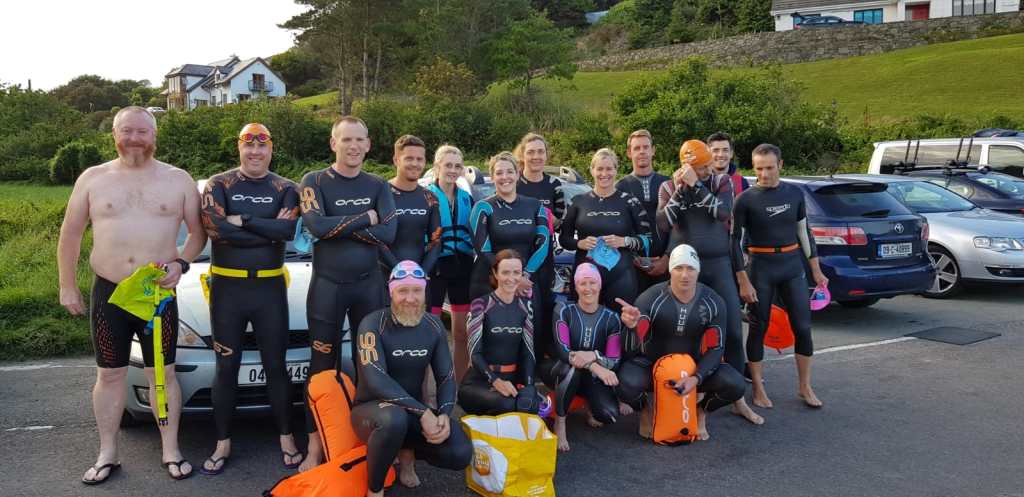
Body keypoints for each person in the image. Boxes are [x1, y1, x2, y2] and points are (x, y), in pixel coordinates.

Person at [57, 106, 206, 483]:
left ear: (154, 135)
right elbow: (70, 233)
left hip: (157, 294)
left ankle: (170, 448)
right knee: (110, 375)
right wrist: (67, 285)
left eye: (142, 131)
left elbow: (198, 233)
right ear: (114, 134)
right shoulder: (93, 178)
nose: (134, 138)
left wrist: (181, 263)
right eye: (127, 131)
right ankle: (108, 452)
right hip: (110, 292)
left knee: (163, 373)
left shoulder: (178, 179)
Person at [197, 123, 302, 474]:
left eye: (262, 145)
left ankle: (286, 437)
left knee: (276, 365)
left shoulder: (286, 188)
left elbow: (287, 231)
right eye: (249, 145)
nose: (255, 152)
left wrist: (242, 220)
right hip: (227, 290)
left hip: (269, 290)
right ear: (239, 148)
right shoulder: (219, 184)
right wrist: (266, 229)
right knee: (226, 367)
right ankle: (222, 442)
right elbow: (216, 229)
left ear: (271, 149)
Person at [298, 116, 397, 471]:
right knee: (321, 368)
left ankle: (365, 442)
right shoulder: (314, 181)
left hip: (368, 287)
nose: (353, 146)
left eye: (359, 140)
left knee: (369, 365)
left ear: (368, 144)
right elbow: (315, 226)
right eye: (346, 140)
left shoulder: (378, 185)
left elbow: (388, 234)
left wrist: (336, 224)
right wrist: (366, 218)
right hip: (327, 288)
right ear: (333, 143)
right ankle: (314, 447)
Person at [656, 139, 762, 425]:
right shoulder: (668, 186)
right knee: (684, 333)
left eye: (706, 166)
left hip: (717, 264)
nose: (706, 170)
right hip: (686, 268)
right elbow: (663, 223)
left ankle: (738, 400)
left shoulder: (721, 181)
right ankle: (688, 397)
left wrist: (698, 186)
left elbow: (723, 213)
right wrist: (682, 188)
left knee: (732, 332)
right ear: (685, 165)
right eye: (700, 168)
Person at [351, 260, 472, 496]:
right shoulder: (372, 324)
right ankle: (375, 489)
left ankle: (407, 458)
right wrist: (424, 413)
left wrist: (444, 414)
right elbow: (376, 380)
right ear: (391, 292)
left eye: (416, 290)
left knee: (459, 451)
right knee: (394, 419)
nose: (410, 298)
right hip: (371, 411)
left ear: (425, 292)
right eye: (402, 291)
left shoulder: (433, 325)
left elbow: (446, 377)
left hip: (413, 412)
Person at [616, 244, 747, 441]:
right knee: (624, 382)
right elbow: (630, 348)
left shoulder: (713, 302)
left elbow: (716, 348)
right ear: (670, 270)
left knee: (736, 384)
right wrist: (632, 327)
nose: (685, 275)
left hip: (693, 368)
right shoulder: (651, 298)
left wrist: (696, 378)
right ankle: (645, 411)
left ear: (698, 271)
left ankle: (701, 412)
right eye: (678, 268)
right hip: (652, 366)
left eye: (690, 268)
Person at [733, 144, 828, 409]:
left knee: (803, 327)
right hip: (760, 267)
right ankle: (758, 387)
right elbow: (735, 243)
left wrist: (816, 270)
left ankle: (805, 386)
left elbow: (804, 233)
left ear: (780, 165)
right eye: (759, 168)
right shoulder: (745, 200)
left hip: (791, 265)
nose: (764, 174)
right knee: (758, 327)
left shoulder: (794, 194)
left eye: (769, 168)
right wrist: (742, 279)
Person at [539, 263, 639, 451]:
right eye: (582, 283)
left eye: (592, 283)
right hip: (560, 369)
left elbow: (614, 360)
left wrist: (593, 355)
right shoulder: (563, 310)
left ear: (600, 286)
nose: (588, 288)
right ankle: (560, 421)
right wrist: (594, 366)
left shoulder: (611, 318)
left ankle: (587, 402)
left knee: (609, 415)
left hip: (591, 378)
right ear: (576, 287)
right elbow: (564, 351)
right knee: (572, 369)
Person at [560, 148, 651, 313]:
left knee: (620, 324)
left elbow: (647, 240)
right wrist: (579, 243)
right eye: (600, 169)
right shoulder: (578, 201)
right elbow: (564, 239)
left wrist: (624, 241)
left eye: (609, 169)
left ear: (616, 170)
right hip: (585, 277)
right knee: (582, 324)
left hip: (621, 276)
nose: (604, 174)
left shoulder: (630, 202)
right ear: (592, 170)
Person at [459, 250, 543, 415]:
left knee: (529, 404)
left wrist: (529, 385)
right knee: (507, 404)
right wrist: (496, 381)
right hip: (478, 383)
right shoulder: (480, 305)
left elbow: (528, 352)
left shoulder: (525, 307)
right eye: (505, 272)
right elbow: (475, 355)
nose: (511, 278)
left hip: (511, 380)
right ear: (495, 273)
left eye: (516, 272)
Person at [468, 152, 550, 302]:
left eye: (510, 172)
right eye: (499, 173)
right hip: (489, 282)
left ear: (518, 174)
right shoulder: (482, 208)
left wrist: (523, 276)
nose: (505, 177)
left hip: (526, 282)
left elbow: (543, 245)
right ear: (492, 177)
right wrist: (512, 278)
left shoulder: (535, 205)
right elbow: (483, 250)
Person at [426, 145, 475, 382]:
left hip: (462, 266)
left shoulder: (467, 198)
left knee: (461, 332)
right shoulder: (425, 196)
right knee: (431, 332)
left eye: (457, 166)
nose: (453, 170)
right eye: (448, 165)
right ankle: (427, 389)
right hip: (434, 266)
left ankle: (460, 386)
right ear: (437, 166)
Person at [513, 133, 562, 359]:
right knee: (519, 309)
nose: (536, 156)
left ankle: (540, 359)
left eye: (540, 151)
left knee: (543, 307)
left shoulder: (554, 184)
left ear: (546, 154)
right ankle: (517, 358)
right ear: (522, 155)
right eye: (531, 152)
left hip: (545, 257)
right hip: (519, 256)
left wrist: (551, 220)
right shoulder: (515, 182)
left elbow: (561, 221)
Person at [380, 134, 441, 285]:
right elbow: (376, 241)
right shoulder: (381, 194)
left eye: (419, 159)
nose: (415, 163)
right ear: (396, 160)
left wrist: (421, 273)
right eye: (409, 158)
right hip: (386, 277)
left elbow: (436, 241)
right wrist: (400, 272)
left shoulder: (430, 197)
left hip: (419, 277)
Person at [616, 130, 671, 289]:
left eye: (646, 147)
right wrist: (634, 257)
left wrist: (667, 257)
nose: (642, 152)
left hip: (666, 263)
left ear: (653, 150)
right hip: (632, 265)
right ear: (629, 153)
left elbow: (679, 225)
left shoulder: (668, 184)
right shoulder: (620, 187)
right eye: (637, 148)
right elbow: (618, 227)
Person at [706, 132, 750, 197]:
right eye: (716, 150)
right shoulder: (700, 181)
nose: (720, 155)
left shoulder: (742, 183)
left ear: (731, 153)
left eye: (725, 150)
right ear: (708, 153)